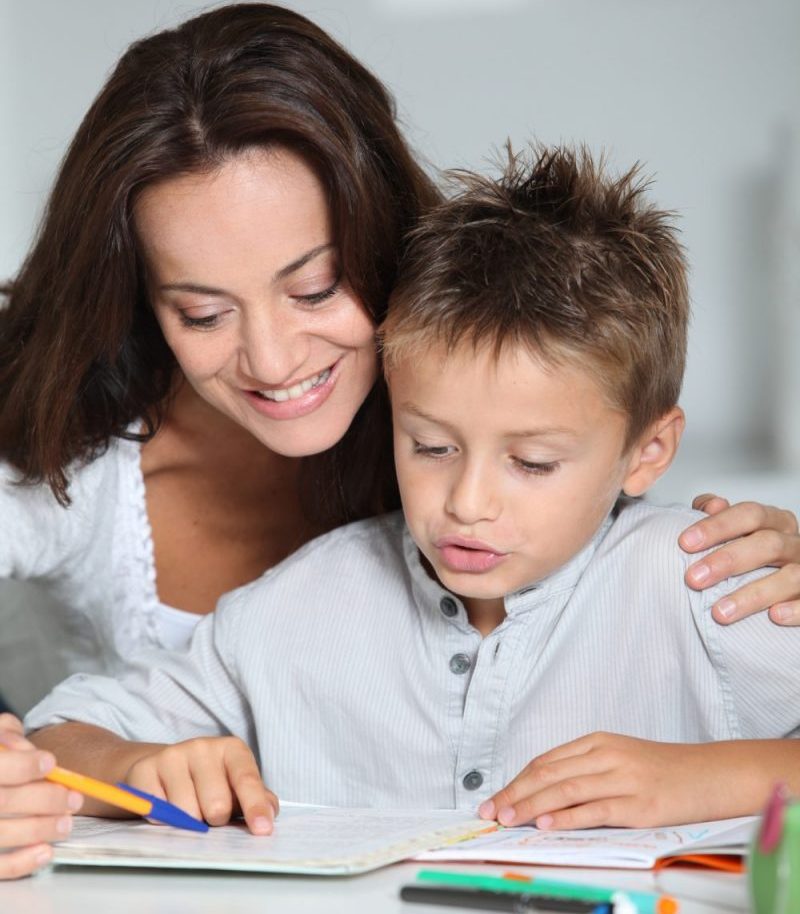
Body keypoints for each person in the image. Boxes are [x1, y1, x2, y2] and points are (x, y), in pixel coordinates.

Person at [2, 3, 799, 882]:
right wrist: (121, 768)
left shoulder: (684, 579)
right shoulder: (281, 608)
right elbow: (66, 730)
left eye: (313, 289)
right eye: (202, 311)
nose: (469, 500)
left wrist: (723, 773)